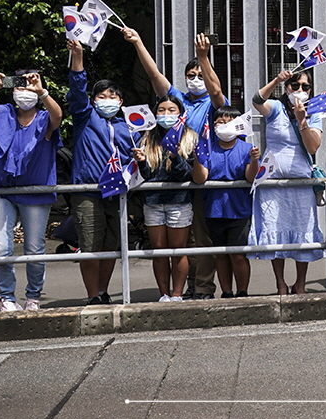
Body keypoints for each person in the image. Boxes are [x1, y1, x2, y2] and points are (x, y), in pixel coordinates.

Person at [125, 29, 227, 300]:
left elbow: (216, 90)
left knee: (202, 238)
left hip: (202, 173)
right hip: (172, 179)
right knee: (182, 241)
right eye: (190, 76)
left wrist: (203, 58)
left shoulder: (213, 104)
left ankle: (203, 288)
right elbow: (155, 76)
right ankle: (184, 288)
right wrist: (138, 42)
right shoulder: (177, 101)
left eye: (200, 76)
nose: (196, 80)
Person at [67, 39, 140, 304]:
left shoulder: (130, 126)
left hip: (118, 192)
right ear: (94, 100)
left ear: (121, 101)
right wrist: (78, 57)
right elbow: (76, 90)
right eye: (101, 96)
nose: (107, 100)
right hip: (88, 190)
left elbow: (137, 158)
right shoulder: (85, 117)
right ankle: (92, 296)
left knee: (111, 245)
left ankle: (103, 290)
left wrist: (139, 157)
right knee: (90, 245)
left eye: (112, 97)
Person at [0, 70, 62, 311]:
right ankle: (7, 297)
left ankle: (33, 297)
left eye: (30, 87)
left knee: (34, 247)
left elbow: (58, 116)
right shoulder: (4, 113)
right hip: (1, 188)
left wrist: (42, 91)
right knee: (0, 247)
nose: (25, 91)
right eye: (19, 86)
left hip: (35, 190)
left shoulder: (43, 118)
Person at [247, 69, 324, 295]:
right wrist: (277, 80)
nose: (299, 90)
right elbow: (257, 101)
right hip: (272, 184)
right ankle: (280, 283)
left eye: (305, 87)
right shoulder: (277, 108)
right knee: (275, 230)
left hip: (300, 184)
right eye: (294, 85)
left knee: (303, 231)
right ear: (287, 87)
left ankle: (300, 283)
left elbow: (313, 147)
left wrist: (302, 121)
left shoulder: (314, 112)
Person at [134, 96, 199, 301]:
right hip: (152, 201)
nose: (166, 115)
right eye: (161, 110)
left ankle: (178, 294)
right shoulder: (146, 137)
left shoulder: (190, 137)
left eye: (172, 110)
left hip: (179, 201)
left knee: (178, 251)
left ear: (180, 113)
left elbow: (190, 175)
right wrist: (142, 162)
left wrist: (175, 157)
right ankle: (164, 294)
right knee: (159, 251)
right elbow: (144, 176)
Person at [191, 105, 256, 298]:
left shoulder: (247, 148)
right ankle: (226, 292)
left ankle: (242, 291)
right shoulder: (208, 149)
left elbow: (250, 177)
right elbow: (200, 178)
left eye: (227, 122)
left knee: (237, 254)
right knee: (221, 254)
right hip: (214, 210)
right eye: (219, 122)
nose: (222, 125)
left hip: (240, 210)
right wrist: (197, 158)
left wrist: (254, 161)